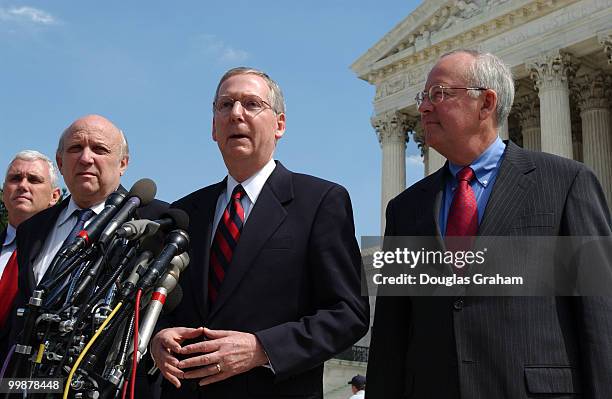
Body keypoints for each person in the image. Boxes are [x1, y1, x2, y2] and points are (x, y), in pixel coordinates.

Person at [366, 50, 612, 398]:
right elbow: (391, 333)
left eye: (439, 94)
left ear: (486, 103)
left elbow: (600, 318)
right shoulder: (405, 208)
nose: (423, 108)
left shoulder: (566, 183)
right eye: (423, 97)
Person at [151, 67, 369, 398]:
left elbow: (348, 313)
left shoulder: (320, 202)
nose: (236, 114)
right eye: (225, 105)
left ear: (279, 124)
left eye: (251, 104)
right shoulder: (183, 212)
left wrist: (261, 348)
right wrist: (158, 337)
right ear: (213, 127)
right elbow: (159, 303)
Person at [10, 115, 168, 393]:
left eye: (100, 149)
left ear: (123, 164)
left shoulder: (158, 222)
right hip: (38, 385)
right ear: (60, 163)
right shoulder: (33, 229)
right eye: (75, 149)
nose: (85, 158)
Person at [0, 150, 61, 362]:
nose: (23, 185)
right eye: (15, 178)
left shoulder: (64, 253)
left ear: (55, 196)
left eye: (34, 180)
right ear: (3, 192)